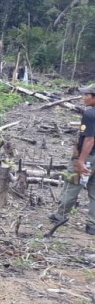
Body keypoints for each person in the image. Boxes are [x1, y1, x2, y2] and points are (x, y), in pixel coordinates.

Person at [48, 84, 95, 235]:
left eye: (86, 95)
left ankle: (60, 216)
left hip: (88, 155)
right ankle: (92, 225)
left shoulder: (90, 114)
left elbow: (89, 139)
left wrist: (81, 161)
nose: (83, 97)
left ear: (93, 96)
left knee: (72, 183)